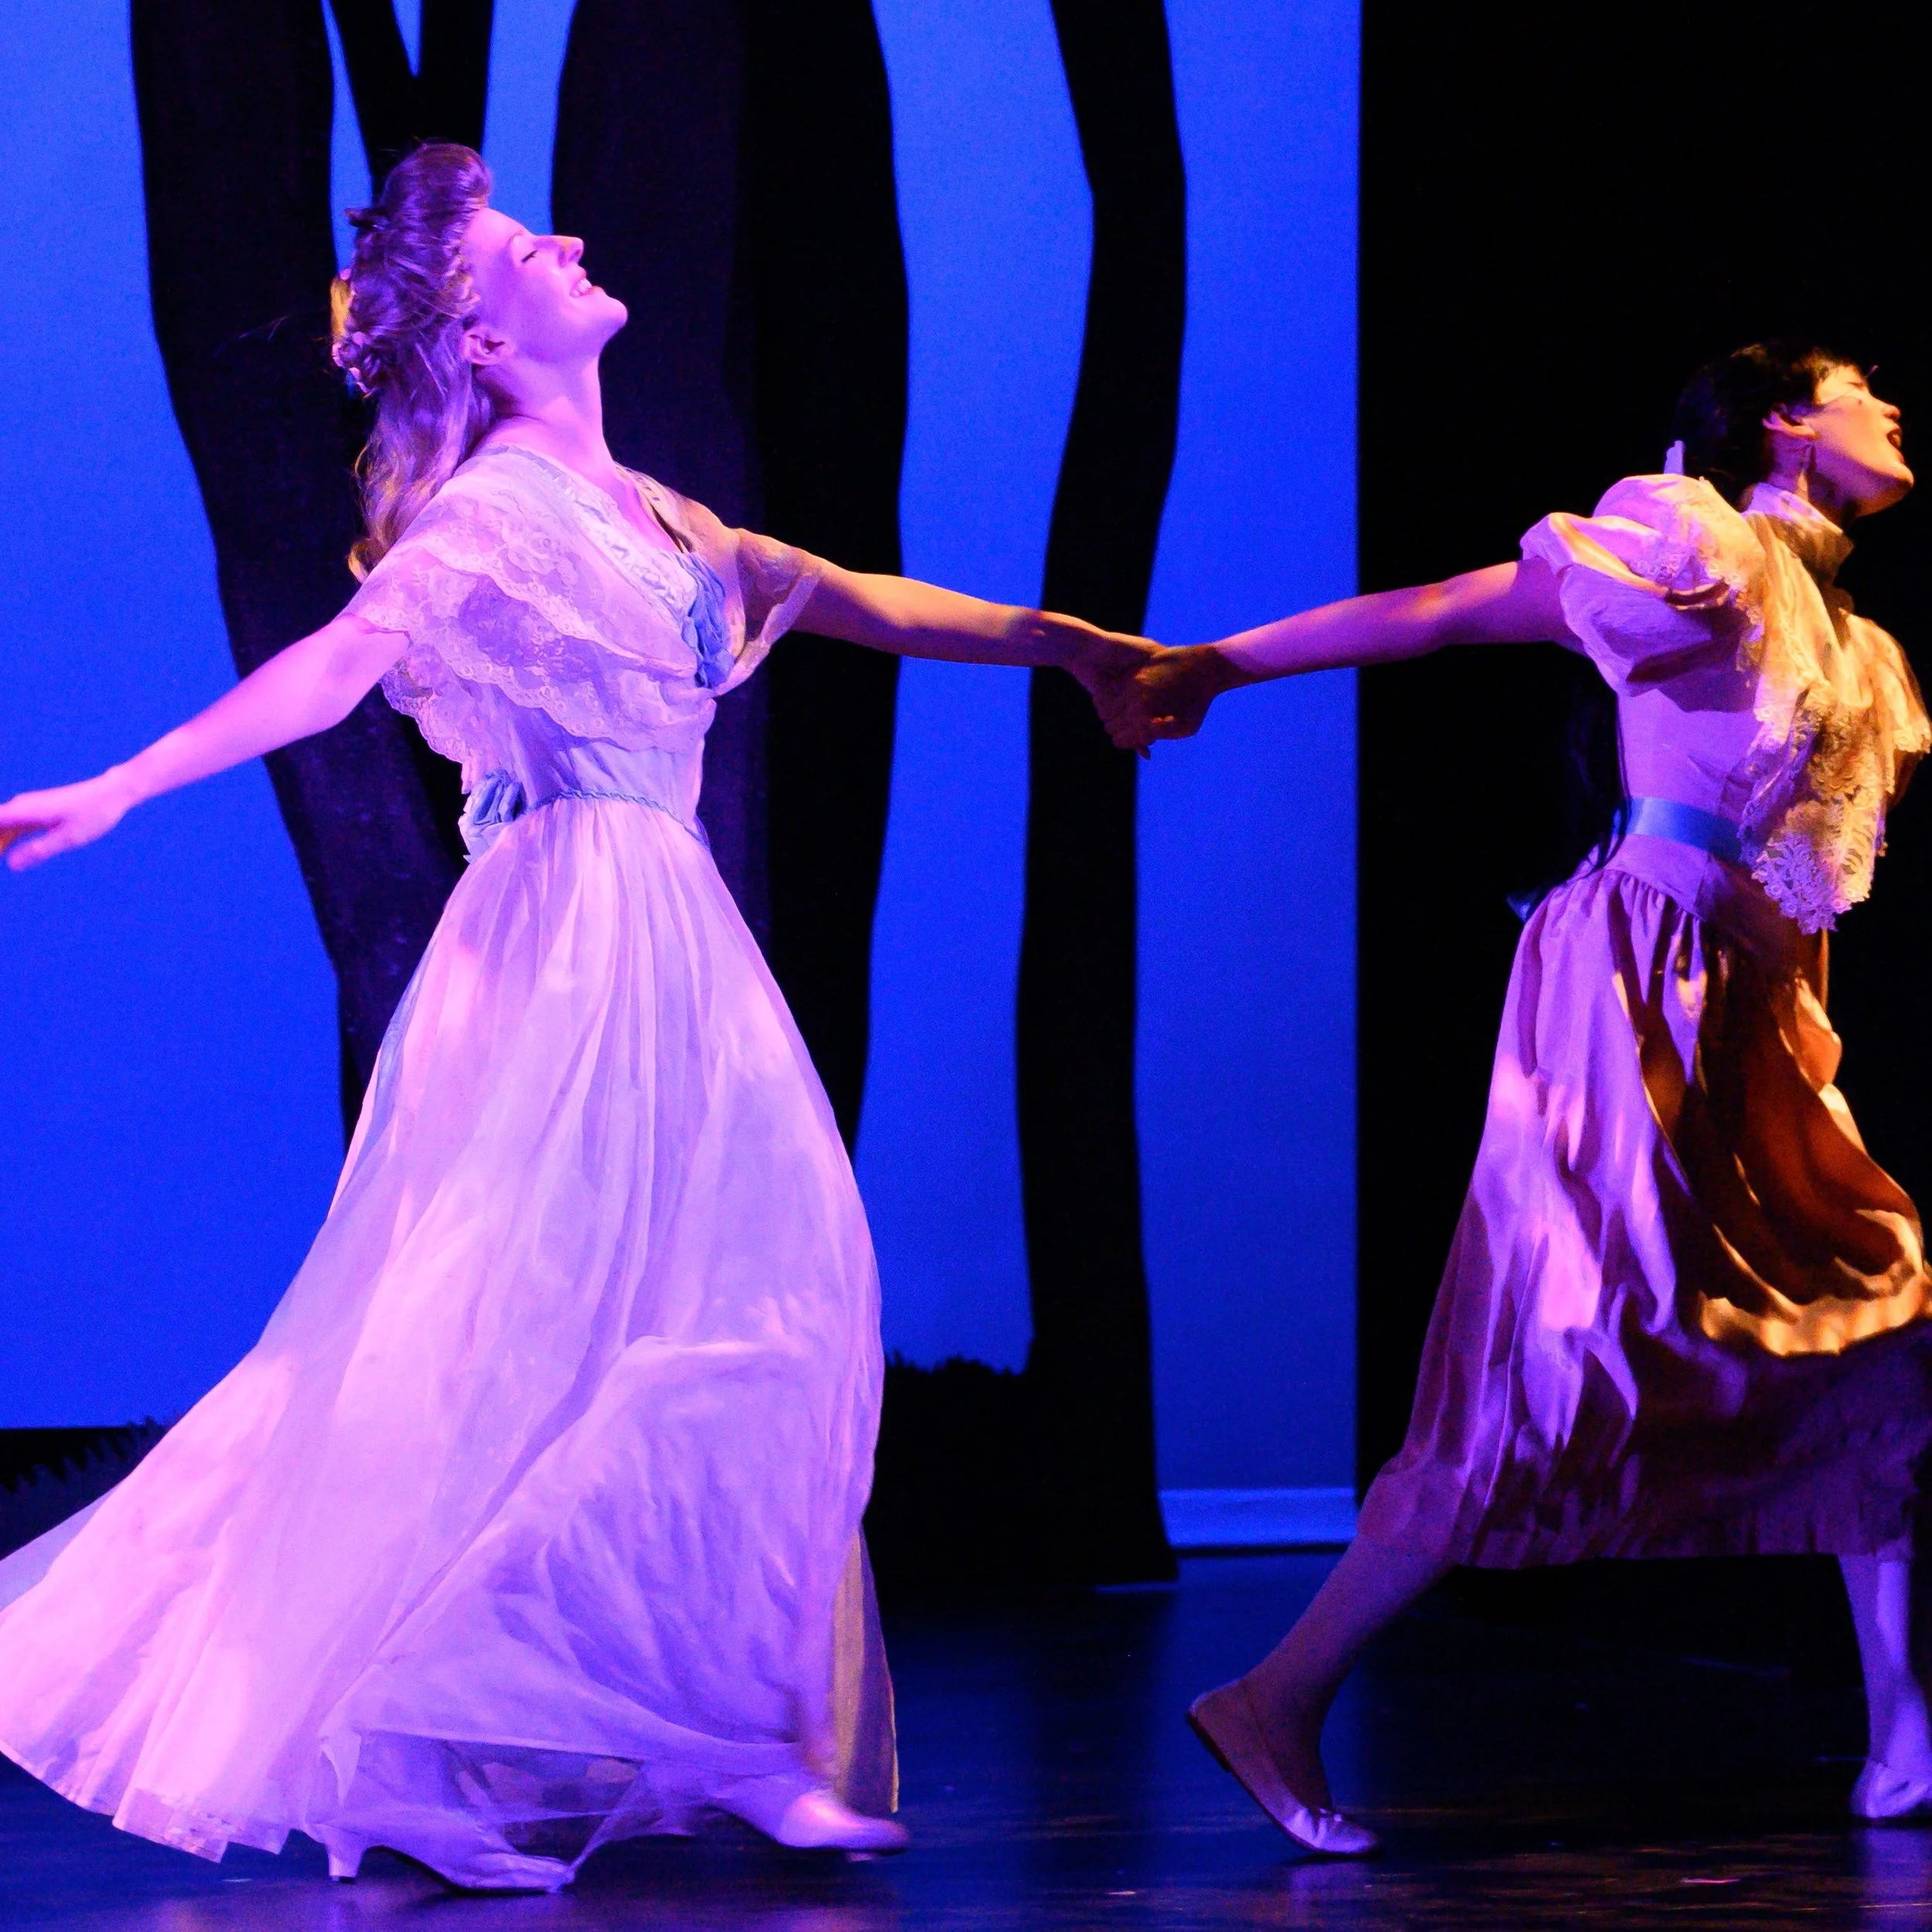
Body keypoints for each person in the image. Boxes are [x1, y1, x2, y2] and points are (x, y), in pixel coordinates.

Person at [0, 143, 1150, 1890]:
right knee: (520, 1330)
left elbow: (863, 598)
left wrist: (1067, 644)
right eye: (528, 245)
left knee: (775, 1300)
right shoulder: (485, 520)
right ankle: (476, 1728)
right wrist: (125, 784)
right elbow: (336, 663)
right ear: (476, 335)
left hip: (673, 938)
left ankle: (741, 1728)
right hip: (561, 944)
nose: (574, 238)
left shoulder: (664, 517)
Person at [1103, 342, 1932, 1855]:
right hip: (1629, 982)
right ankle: (1278, 1691)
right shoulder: (1694, 542)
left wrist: (1792, 1041)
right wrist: (1216, 662)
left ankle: (1900, 1736)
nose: (1890, 404)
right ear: (1782, 421)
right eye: (1857, 388)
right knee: (1553, 1364)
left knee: (1876, 1312)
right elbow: (1445, 608)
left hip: (1755, 1016)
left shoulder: (1855, 644)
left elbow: (1807, 881)